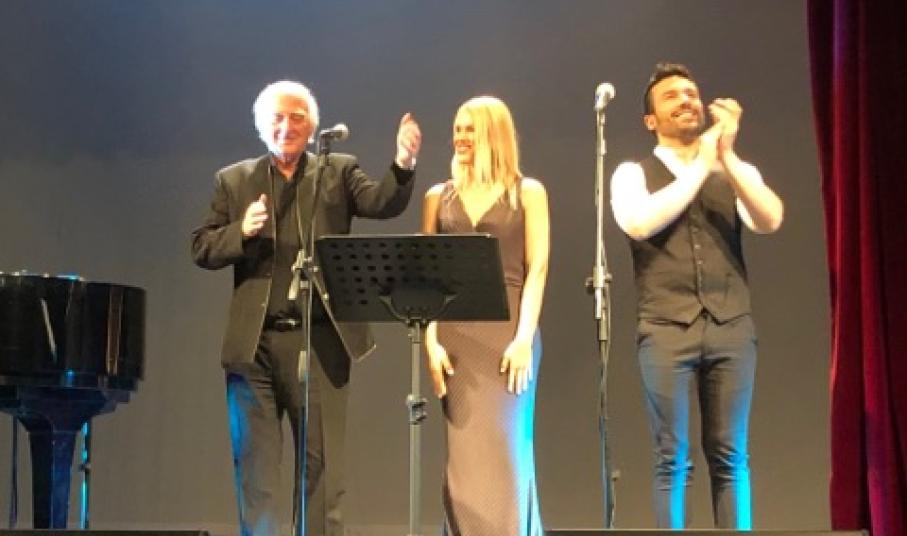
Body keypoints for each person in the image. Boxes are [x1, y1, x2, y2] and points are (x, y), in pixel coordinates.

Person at [191, 80, 421, 536]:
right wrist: (242, 231)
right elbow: (202, 247)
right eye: (276, 118)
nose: (286, 126)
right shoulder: (234, 180)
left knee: (320, 468)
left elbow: (381, 202)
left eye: (297, 117)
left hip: (319, 341)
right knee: (256, 471)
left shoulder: (337, 171)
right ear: (261, 126)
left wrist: (403, 163)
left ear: (313, 126)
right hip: (253, 347)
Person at [610, 62, 783, 529]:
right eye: (672, 96)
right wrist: (703, 164)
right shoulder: (632, 172)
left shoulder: (732, 169)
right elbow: (639, 223)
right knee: (672, 456)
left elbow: (769, 218)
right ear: (650, 120)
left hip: (731, 326)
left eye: (691, 93)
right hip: (665, 327)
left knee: (731, 455)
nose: (687, 100)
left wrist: (725, 156)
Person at [421, 96, 549, 536]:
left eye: (470, 129)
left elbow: (537, 268)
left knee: (507, 453)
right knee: (465, 462)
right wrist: (430, 341)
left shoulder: (528, 192)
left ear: (494, 134)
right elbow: (426, 276)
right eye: (457, 128)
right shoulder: (438, 197)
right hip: (454, 336)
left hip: (508, 332)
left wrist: (523, 338)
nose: (460, 137)